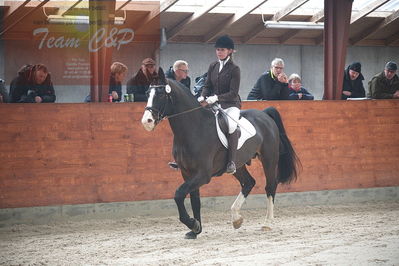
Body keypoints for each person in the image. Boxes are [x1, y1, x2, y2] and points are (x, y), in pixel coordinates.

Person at [198, 35, 241, 174]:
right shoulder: (213, 65)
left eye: (222, 50)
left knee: (231, 125)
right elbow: (207, 84)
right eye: (217, 50)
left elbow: (233, 93)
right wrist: (202, 95)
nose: (219, 52)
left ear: (230, 51)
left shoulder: (235, 69)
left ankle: (231, 162)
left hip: (231, 104)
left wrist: (216, 97)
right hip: (213, 103)